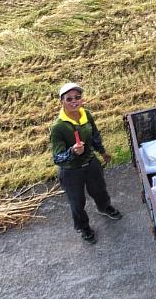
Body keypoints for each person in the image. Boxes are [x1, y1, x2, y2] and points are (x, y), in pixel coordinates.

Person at [50, 83, 122, 245]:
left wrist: (102, 151)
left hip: (90, 163)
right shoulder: (58, 127)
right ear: (62, 101)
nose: (74, 102)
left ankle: (104, 208)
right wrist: (72, 152)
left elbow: (95, 135)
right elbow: (57, 158)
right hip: (71, 171)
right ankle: (84, 227)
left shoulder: (86, 114)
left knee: (100, 190)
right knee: (77, 202)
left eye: (77, 98)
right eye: (69, 99)